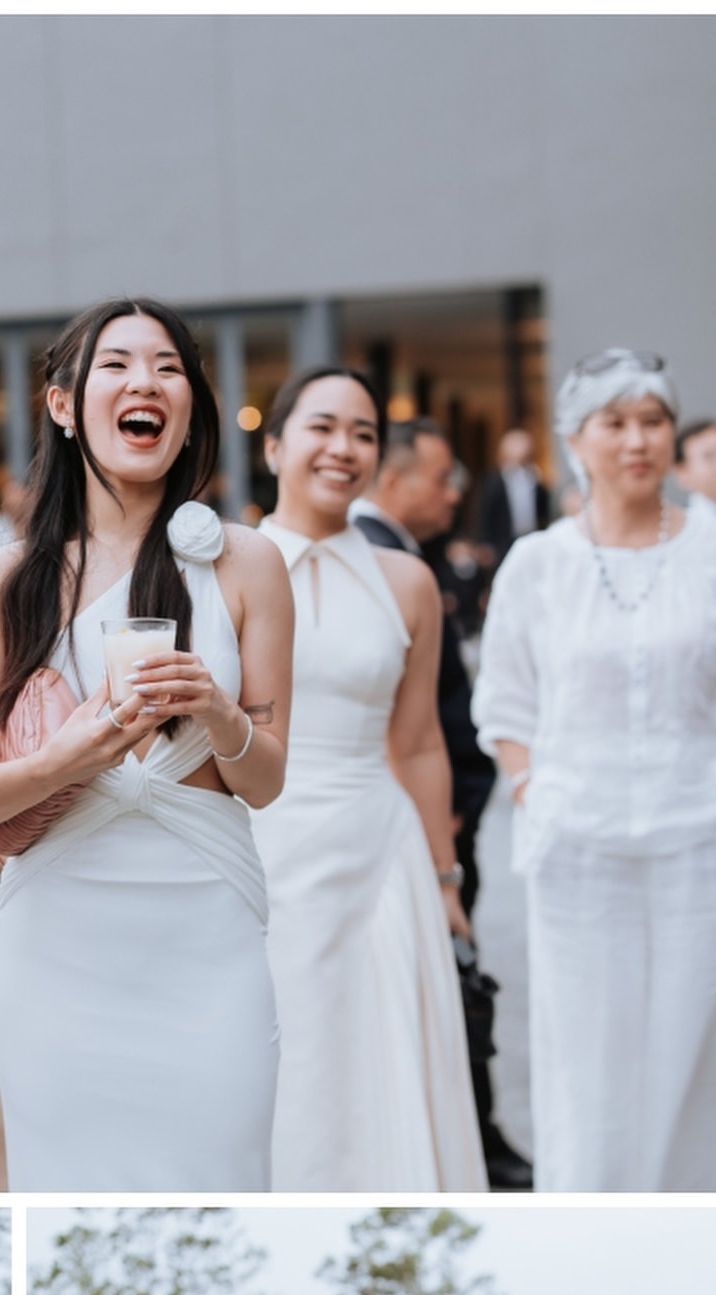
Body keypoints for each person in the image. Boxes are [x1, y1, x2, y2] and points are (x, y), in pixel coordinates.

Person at [0, 297, 293, 1192]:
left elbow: (268, 779)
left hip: (207, 933)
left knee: (222, 1182)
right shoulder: (4, 579)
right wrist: (71, 758)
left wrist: (219, 713)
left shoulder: (247, 563)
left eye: (169, 368)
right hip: (62, 940)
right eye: (120, 365)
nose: (147, 384)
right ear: (64, 404)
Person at [471, 350, 716, 1192]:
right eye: (614, 423)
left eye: (652, 421)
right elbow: (505, 707)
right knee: (591, 1057)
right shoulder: (537, 566)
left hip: (715, 836)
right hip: (580, 844)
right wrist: (530, 791)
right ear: (575, 441)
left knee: (709, 1052)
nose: (637, 440)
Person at [252, 370, 485, 1192]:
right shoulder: (218, 572)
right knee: (285, 1055)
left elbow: (418, 743)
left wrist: (446, 875)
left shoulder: (407, 582)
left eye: (361, 433)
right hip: (260, 848)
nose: (342, 448)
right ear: (274, 445)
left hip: (378, 852)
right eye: (322, 427)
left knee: (380, 1056)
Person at [351, 411, 532, 1187]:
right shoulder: (375, 561)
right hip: (422, 823)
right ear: (392, 479)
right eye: (441, 476)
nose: (455, 493)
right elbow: (399, 722)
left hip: (434, 813)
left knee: (452, 983)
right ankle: (473, 1145)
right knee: (446, 988)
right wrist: (441, 837)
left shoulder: (410, 557)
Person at [475, 427, 551, 562]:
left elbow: (543, 512)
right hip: (503, 544)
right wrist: (484, 544)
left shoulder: (535, 481)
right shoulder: (494, 482)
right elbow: (484, 513)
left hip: (531, 540)